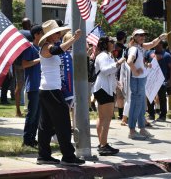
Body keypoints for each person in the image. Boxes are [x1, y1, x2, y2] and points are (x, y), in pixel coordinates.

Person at [36, 19, 85, 166]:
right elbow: (56, 51)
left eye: (59, 32)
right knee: (63, 122)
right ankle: (68, 156)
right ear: (49, 36)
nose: (59, 35)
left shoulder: (50, 45)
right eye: (57, 33)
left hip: (48, 89)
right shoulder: (47, 47)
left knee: (46, 124)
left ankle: (43, 155)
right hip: (50, 90)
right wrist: (74, 39)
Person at [127, 29, 167, 140]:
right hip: (137, 79)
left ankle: (142, 129)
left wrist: (145, 64)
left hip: (141, 79)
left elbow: (152, 44)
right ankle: (132, 130)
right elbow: (129, 61)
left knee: (141, 106)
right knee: (136, 105)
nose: (143, 37)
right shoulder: (134, 48)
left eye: (144, 35)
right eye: (140, 35)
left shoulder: (140, 47)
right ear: (134, 37)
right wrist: (135, 70)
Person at [93, 36, 126, 155]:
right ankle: (103, 145)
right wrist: (118, 63)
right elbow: (105, 70)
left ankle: (101, 143)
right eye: (111, 42)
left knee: (102, 118)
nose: (114, 44)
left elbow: (108, 74)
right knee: (106, 118)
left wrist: (116, 82)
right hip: (104, 89)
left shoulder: (107, 55)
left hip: (104, 88)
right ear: (105, 44)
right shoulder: (103, 56)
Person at [22, 25, 43, 147]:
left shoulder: (40, 48)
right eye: (42, 33)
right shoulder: (29, 48)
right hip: (33, 85)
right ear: (36, 35)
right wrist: (39, 60)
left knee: (38, 114)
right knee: (32, 113)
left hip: (41, 85)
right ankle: (26, 139)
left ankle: (32, 138)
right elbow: (24, 64)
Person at [145, 41, 171, 122]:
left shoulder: (167, 55)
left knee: (162, 98)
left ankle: (163, 115)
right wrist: (147, 63)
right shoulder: (149, 53)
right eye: (155, 44)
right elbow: (144, 62)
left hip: (162, 80)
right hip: (151, 80)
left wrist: (170, 79)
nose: (156, 46)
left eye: (158, 44)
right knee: (150, 97)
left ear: (161, 45)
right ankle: (151, 114)